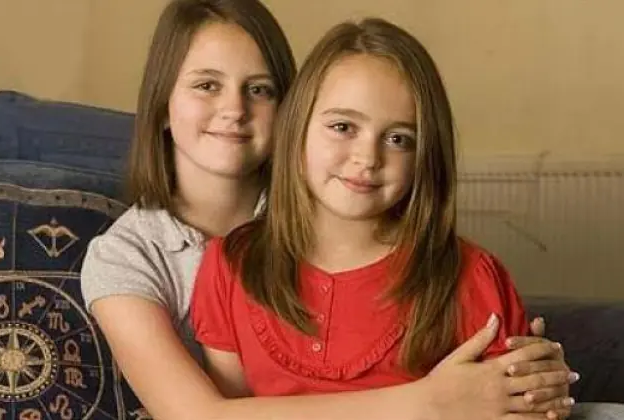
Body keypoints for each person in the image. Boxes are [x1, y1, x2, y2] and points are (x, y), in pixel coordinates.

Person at [81, 1, 582, 419]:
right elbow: (201, 415)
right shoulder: (146, 257)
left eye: (259, 89)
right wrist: (428, 403)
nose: (234, 109)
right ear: (161, 104)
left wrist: (535, 379)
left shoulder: (339, 197)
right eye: (206, 84)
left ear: (289, 113)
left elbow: (513, 387)